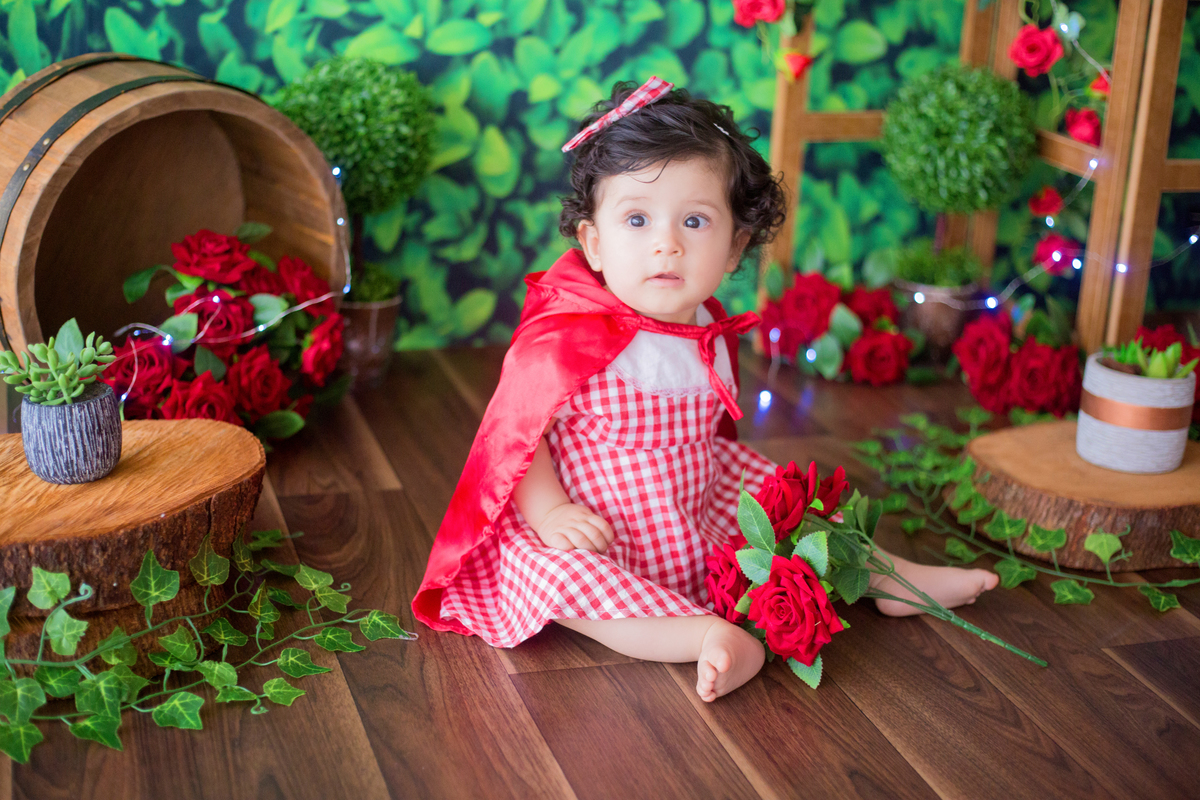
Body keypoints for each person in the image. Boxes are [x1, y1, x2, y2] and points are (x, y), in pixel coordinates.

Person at [413, 78, 999, 702]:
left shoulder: (708, 328)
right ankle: (705, 636)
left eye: (695, 220)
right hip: (598, 521)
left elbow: (709, 432)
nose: (667, 243)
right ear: (595, 244)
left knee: (799, 514)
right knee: (561, 584)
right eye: (636, 219)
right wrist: (552, 512)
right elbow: (518, 443)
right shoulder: (569, 341)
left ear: (734, 248)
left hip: (695, 492)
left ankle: (895, 580)